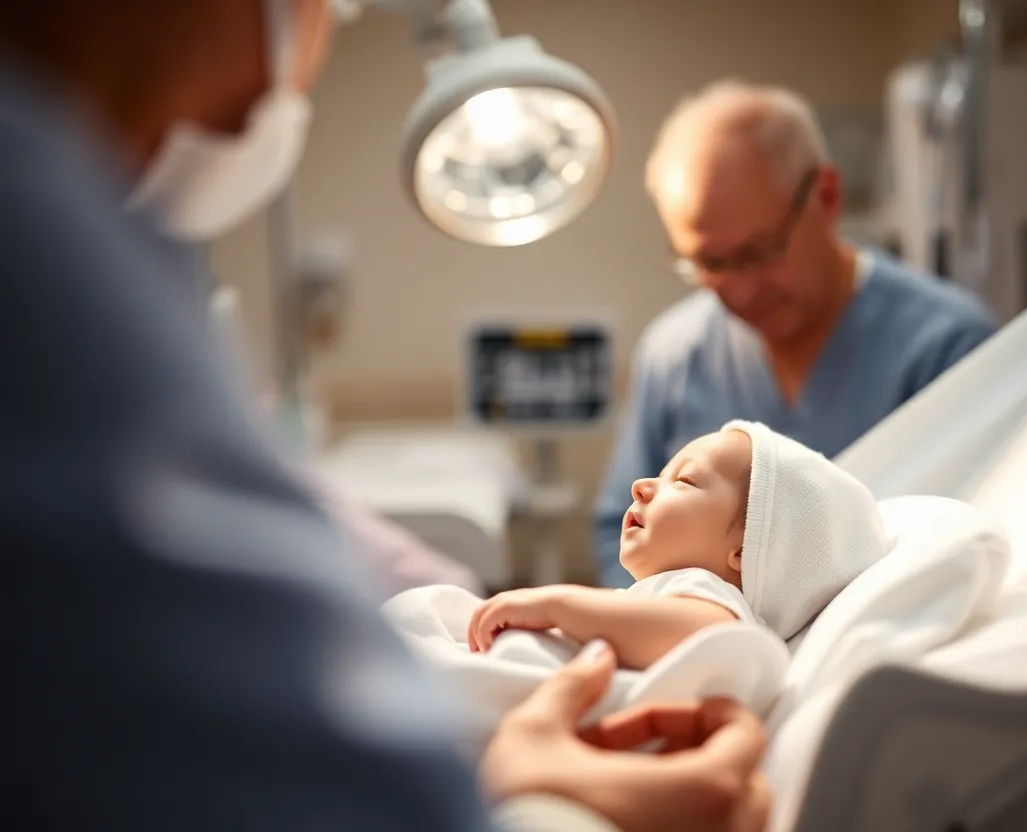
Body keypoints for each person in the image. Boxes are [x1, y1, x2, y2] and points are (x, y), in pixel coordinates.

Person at [3, 2, 770, 830]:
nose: (319, 32)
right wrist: (535, 799)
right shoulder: (43, 266)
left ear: (744, 548)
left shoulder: (714, 598)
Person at [594, 80, 996, 588]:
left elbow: (975, 539)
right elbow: (617, 536)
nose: (740, 291)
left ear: (826, 197)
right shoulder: (675, 354)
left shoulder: (945, 348)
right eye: (710, 263)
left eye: (759, 252)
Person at [470, 421, 888, 665]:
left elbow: (714, 635)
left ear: (744, 552)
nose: (642, 485)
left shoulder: (708, 595)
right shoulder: (669, 593)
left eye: (684, 480)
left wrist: (556, 605)